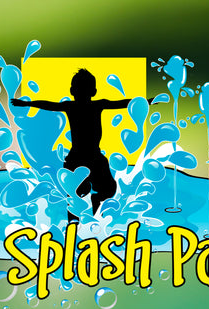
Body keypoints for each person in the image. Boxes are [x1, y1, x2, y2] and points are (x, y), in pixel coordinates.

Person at [11, 69, 129, 213]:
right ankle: (90, 212)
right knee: (96, 191)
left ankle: (80, 218)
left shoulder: (75, 106)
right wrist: (145, 102)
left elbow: (48, 105)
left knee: (80, 194)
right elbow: (123, 103)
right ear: (94, 91)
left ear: (72, 90)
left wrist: (26, 104)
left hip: (81, 158)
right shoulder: (90, 105)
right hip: (87, 157)